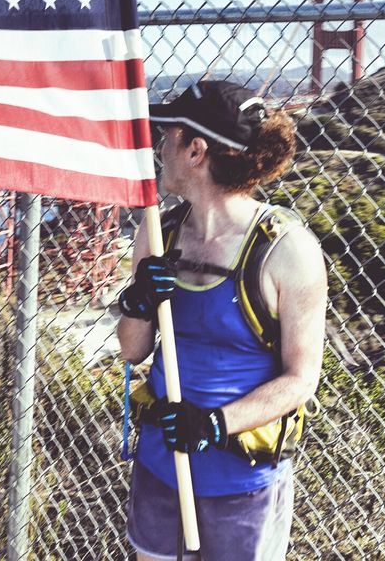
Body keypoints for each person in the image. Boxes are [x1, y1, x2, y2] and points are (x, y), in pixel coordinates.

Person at [117, 81, 328, 561]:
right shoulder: (158, 235)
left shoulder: (286, 252)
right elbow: (132, 350)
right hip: (159, 466)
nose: (159, 145)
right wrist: (138, 301)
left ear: (196, 150)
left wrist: (214, 425)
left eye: (167, 134)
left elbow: (301, 380)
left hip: (240, 483)